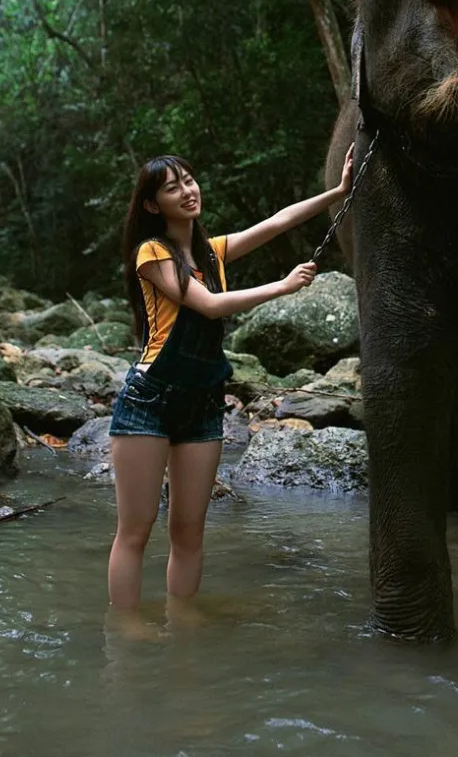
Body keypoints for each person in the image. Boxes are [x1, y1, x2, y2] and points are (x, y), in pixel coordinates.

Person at [107, 148, 353, 610]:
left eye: (189, 180)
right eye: (172, 186)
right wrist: (281, 286)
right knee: (135, 531)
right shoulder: (152, 252)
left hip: (203, 401)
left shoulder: (211, 252)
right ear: (152, 204)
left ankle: (181, 624)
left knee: (189, 532)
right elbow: (209, 305)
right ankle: (126, 631)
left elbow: (277, 223)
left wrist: (338, 193)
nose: (187, 190)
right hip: (150, 399)